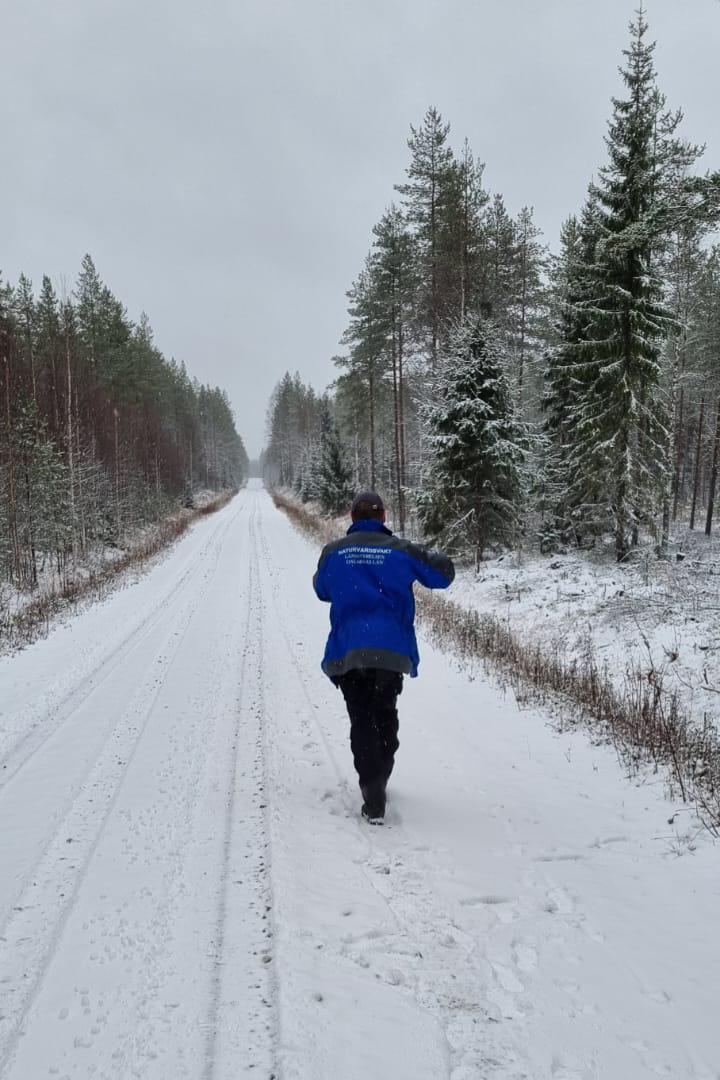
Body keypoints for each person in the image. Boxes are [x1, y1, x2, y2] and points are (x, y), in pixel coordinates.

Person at [313, 490, 455, 822]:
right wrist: (430, 553)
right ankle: (380, 775)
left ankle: (372, 789)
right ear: (383, 517)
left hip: (349, 650)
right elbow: (442, 575)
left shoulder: (334, 552)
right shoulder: (400, 551)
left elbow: (322, 590)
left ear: (352, 517)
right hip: (391, 651)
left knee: (361, 719)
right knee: (385, 714)